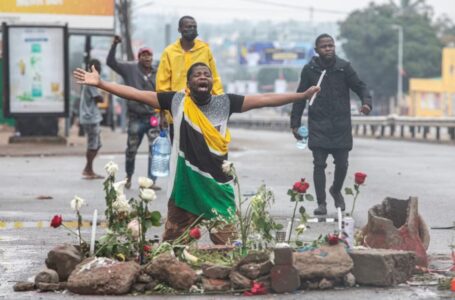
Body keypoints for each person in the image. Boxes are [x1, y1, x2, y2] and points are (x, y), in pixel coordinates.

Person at [73, 62, 319, 243]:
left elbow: (265, 98)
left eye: (207, 74)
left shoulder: (226, 103)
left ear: (211, 82)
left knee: (229, 247)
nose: (203, 77)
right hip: (184, 187)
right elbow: (138, 94)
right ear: (188, 83)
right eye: (197, 74)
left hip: (218, 187)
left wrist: (301, 95)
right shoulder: (176, 101)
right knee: (172, 247)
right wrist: (102, 84)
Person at [290, 33, 372, 216]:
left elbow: (360, 86)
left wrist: (366, 103)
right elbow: (300, 97)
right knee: (319, 164)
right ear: (316, 50)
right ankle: (321, 204)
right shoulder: (309, 70)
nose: (328, 48)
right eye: (324, 46)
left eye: (331, 45)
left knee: (342, 164)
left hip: (341, 125)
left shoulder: (344, 68)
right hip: (318, 124)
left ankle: (336, 190)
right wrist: (295, 123)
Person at [107, 35, 161, 190]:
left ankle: (151, 181)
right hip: (135, 118)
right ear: (139, 57)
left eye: (149, 55)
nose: (147, 58)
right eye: (144, 55)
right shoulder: (130, 68)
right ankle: (128, 176)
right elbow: (111, 63)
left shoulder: (158, 73)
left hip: (153, 117)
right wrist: (114, 45)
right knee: (131, 150)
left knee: (154, 150)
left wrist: (163, 115)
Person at [156, 16, 224, 140]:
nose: (192, 29)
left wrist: (219, 106)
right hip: (176, 112)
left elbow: (214, 79)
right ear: (180, 29)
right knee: (179, 153)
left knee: (201, 152)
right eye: (188, 27)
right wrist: (162, 114)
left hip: (203, 111)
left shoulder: (204, 50)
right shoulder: (169, 52)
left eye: (194, 27)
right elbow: (162, 85)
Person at [79, 59, 104, 180]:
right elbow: (99, 98)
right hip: (90, 118)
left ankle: (89, 168)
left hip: (91, 117)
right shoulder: (90, 82)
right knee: (93, 144)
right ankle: (88, 169)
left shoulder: (89, 80)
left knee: (97, 144)